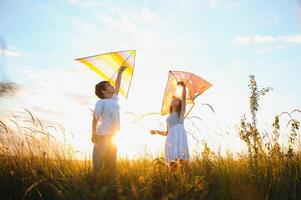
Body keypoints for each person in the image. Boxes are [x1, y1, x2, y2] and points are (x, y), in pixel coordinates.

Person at [91, 66, 126, 197]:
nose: (111, 86)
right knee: (98, 164)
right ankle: (95, 188)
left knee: (111, 165)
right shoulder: (101, 102)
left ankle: (110, 190)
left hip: (113, 137)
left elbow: (117, 85)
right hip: (102, 137)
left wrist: (120, 73)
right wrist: (93, 132)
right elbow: (95, 117)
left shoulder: (114, 99)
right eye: (108, 85)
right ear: (104, 91)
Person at [150, 81, 190, 168]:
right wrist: (156, 131)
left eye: (177, 100)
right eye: (173, 100)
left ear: (179, 104)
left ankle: (184, 177)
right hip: (171, 138)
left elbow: (183, 100)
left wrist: (183, 87)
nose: (174, 100)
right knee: (172, 162)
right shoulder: (169, 117)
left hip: (179, 135)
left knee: (181, 158)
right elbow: (167, 132)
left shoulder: (181, 113)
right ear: (171, 104)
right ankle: (173, 178)